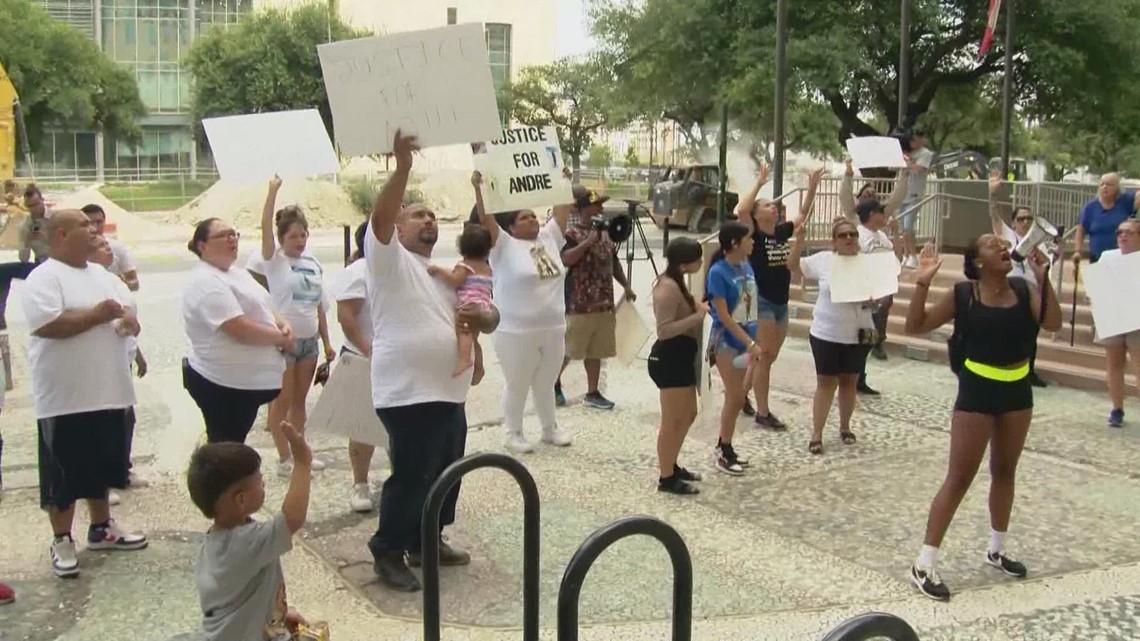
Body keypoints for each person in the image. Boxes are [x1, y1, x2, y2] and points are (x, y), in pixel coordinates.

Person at [364, 132, 498, 592]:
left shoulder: (450, 273)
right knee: (413, 474)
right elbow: (380, 217)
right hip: (408, 391)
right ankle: (388, 549)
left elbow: (490, 314)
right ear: (397, 229)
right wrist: (402, 169)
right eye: (417, 214)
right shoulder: (387, 261)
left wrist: (485, 315)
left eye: (433, 215)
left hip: (448, 392)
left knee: (445, 472)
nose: (428, 220)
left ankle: (428, 539)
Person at [903, 236, 1061, 601]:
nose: (1004, 248)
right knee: (960, 476)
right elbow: (915, 325)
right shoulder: (963, 294)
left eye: (1005, 245)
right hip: (977, 388)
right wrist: (923, 282)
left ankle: (997, 547)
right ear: (976, 262)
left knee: (1005, 470)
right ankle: (924, 562)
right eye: (993, 246)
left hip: (1018, 388)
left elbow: (1052, 321)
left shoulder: (1022, 290)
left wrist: (1043, 277)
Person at [22, 209, 148, 579]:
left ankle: (102, 527)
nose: (92, 229)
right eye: (82, 225)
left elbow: (127, 317)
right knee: (63, 473)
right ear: (60, 234)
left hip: (110, 390)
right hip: (66, 397)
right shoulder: (43, 278)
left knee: (103, 463)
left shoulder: (104, 277)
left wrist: (129, 323)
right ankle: (62, 538)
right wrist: (95, 315)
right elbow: (49, 325)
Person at [470, 170, 574, 453]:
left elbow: (563, 210)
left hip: (553, 327)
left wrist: (564, 181)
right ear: (511, 227)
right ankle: (512, 432)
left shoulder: (549, 238)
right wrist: (481, 190)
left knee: (546, 380)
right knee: (517, 382)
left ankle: (549, 428)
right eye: (523, 217)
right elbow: (486, 218)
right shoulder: (503, 245)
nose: (531, 219)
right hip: (515, 331)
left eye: (533, 215)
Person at [188, 421, 313, 641]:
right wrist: (302, 463)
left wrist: (278, 616)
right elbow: (292, 518)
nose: (264, 486)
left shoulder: (216, 542)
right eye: (260, 482)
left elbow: (239, 600)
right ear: (242, 499)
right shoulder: (245, 542)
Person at [182, 218, 289, 444]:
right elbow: (237, 327)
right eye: (223, 235)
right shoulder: (205, 280)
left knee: (233, 444)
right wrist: (281, 338)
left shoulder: (237, 273)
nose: (232, 239)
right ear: (202, 245)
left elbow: (266, 303)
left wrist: (282, 324)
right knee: (224, 447)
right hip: (224, 384)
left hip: (246, 383)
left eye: (234, 234)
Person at [735, 164, 823, 430]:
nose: (773, 208)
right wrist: (760, 182)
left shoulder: (781, 231)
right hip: (758, 299)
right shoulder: (753, 234)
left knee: (767, 356)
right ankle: (763, 412)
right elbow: (741, 209)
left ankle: (740, 395)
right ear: (757, 214)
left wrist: (812, 188)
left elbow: (803, 214)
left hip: (780, 299)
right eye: (766, 205)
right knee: (764, 355)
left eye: (774, 205)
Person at [260, 177, 335, 476]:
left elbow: (319, 304)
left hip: (309, 342)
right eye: (293, 236)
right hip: (284, 343)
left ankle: (300, 450)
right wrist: (273, 192)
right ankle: (283, 459)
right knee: (283, 402)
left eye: (303, 235)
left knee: (301, 402)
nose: (300, 241)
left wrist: (326, 340)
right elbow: (265, 226)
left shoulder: (314, 262)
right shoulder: (275, 261)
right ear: (282, 238)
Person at [788, 219, 876, 454]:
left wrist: (874, 301)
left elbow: (881, 297)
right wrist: (799, 240)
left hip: (857, 333)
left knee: (850, 381)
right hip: (827, 332)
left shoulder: (868, 263)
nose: (849, 239)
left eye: (853, 234)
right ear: (834, 241)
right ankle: (817, 433)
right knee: (826, 383)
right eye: (843, 235)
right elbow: (794, 267)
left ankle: (845, 426)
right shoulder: (824, 260)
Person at [556, 185, 635, 410]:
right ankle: (553, 382)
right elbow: (566, 259)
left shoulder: (607, 232)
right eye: (596, 204)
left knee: (596, 351)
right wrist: (588, 241)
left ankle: (592, 391)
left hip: (603, 302)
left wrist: (626, 286)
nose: (601, 207)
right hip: (579, 304)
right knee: (571, 349)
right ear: (583, 209)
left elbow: (614, 261)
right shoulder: (570, 234)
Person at [87, 236, 146, 506]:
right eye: (101, 246)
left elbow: (129, 318)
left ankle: (121, 470)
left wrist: (139, 353)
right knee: (101, 423)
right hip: (99, 363)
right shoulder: (87, 283)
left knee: (125, 419)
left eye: (108, 245)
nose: (108, 249)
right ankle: (101, 482)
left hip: (124, 356)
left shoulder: (113, 280)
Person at [649, 237, 708, 494]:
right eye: (698, 259)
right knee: (672, 420)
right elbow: (664, 330)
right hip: (669, 358)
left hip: (684, 356)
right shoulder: (666, 289)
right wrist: (697, 317)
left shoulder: (678, 282)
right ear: (685, 264)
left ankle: (671, 462)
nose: (701, 263)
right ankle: (666, 476)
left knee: (689, 414)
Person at [842, 157, 908, 381]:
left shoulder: (881, 233)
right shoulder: (855, 228)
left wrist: (904, 173)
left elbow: (896, 200)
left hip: (880, 290)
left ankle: (860, 377)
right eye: (867, 195)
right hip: (863, 292)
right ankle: (851, 375)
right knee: (858, 338)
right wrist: (849, 173)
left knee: (869, 335)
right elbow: (845, 198)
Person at [333, 222, 384, 513]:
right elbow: (347, 317)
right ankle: (360, 483)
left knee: (399, 424)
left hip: (395, 358)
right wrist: (368, 350)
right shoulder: (357, 271)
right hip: (364, 356)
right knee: (364, 426)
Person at [988, 172, 1055, 388]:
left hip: (1032, 290)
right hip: (1010, 289)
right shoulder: (1007, 235)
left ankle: (1029, 370)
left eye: (1029, 218)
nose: (1025, 221)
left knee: (1031, 333)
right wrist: (992, 195)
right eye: (1021, 219)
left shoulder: (1041, 242)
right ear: (1014, 223)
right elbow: (994, 215)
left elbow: (1047, 264)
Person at [705, 222, 758, 476]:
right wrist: (748, 343)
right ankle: (723, 449)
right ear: (735, 243)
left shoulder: (746, 266)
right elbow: (724, 315)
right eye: (749, 239)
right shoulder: (718, 272)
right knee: (735, 395)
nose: (753, 243)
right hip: (727, 341)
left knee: (737, 396)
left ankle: (726, 444)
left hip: (747, 338)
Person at [428, 224, 494, 377]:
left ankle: (464, 359)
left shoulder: (464, 266)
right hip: (483, 305)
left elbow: (456, 280)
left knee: (463, 330)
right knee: (474, 336)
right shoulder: (486, 268)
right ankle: (478, 366)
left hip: (468, 305)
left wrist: (439, 271)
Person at [1094, 219, 1140, 427]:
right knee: (1114, 364)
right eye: (1120, 232)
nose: (1123, 236)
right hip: (1112, 313)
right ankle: (1117, 408)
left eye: (1129, 232)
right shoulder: (1107, 256)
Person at [1073, 172, 1140, 266]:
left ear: (1117, 187)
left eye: (1109, 185)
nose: (1105, 187)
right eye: (1102, 184)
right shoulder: (1090, 207)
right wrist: (1077, 251)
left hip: (1122, 256)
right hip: (1097, 257)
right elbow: (1081, 229)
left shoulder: (1125, 201)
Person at [896, 129, 934, 269]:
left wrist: (908, 161)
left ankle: (913, 255)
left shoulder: (925, 154)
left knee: (908, 227)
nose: (912, 142)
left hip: (914, 195)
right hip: (902, 194)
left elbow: (919, 169)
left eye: (914, 139)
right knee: (901, 228)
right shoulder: (905, 152)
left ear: (921, 139)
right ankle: (906, 255)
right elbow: (891, 167)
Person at [81, 204, 139, 291]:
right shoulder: (72, 250)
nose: (95, 227)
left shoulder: (117, 248)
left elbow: (135, 283)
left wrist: (121, 284)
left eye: (99, 222)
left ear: (104, 222)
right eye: (90, 223)